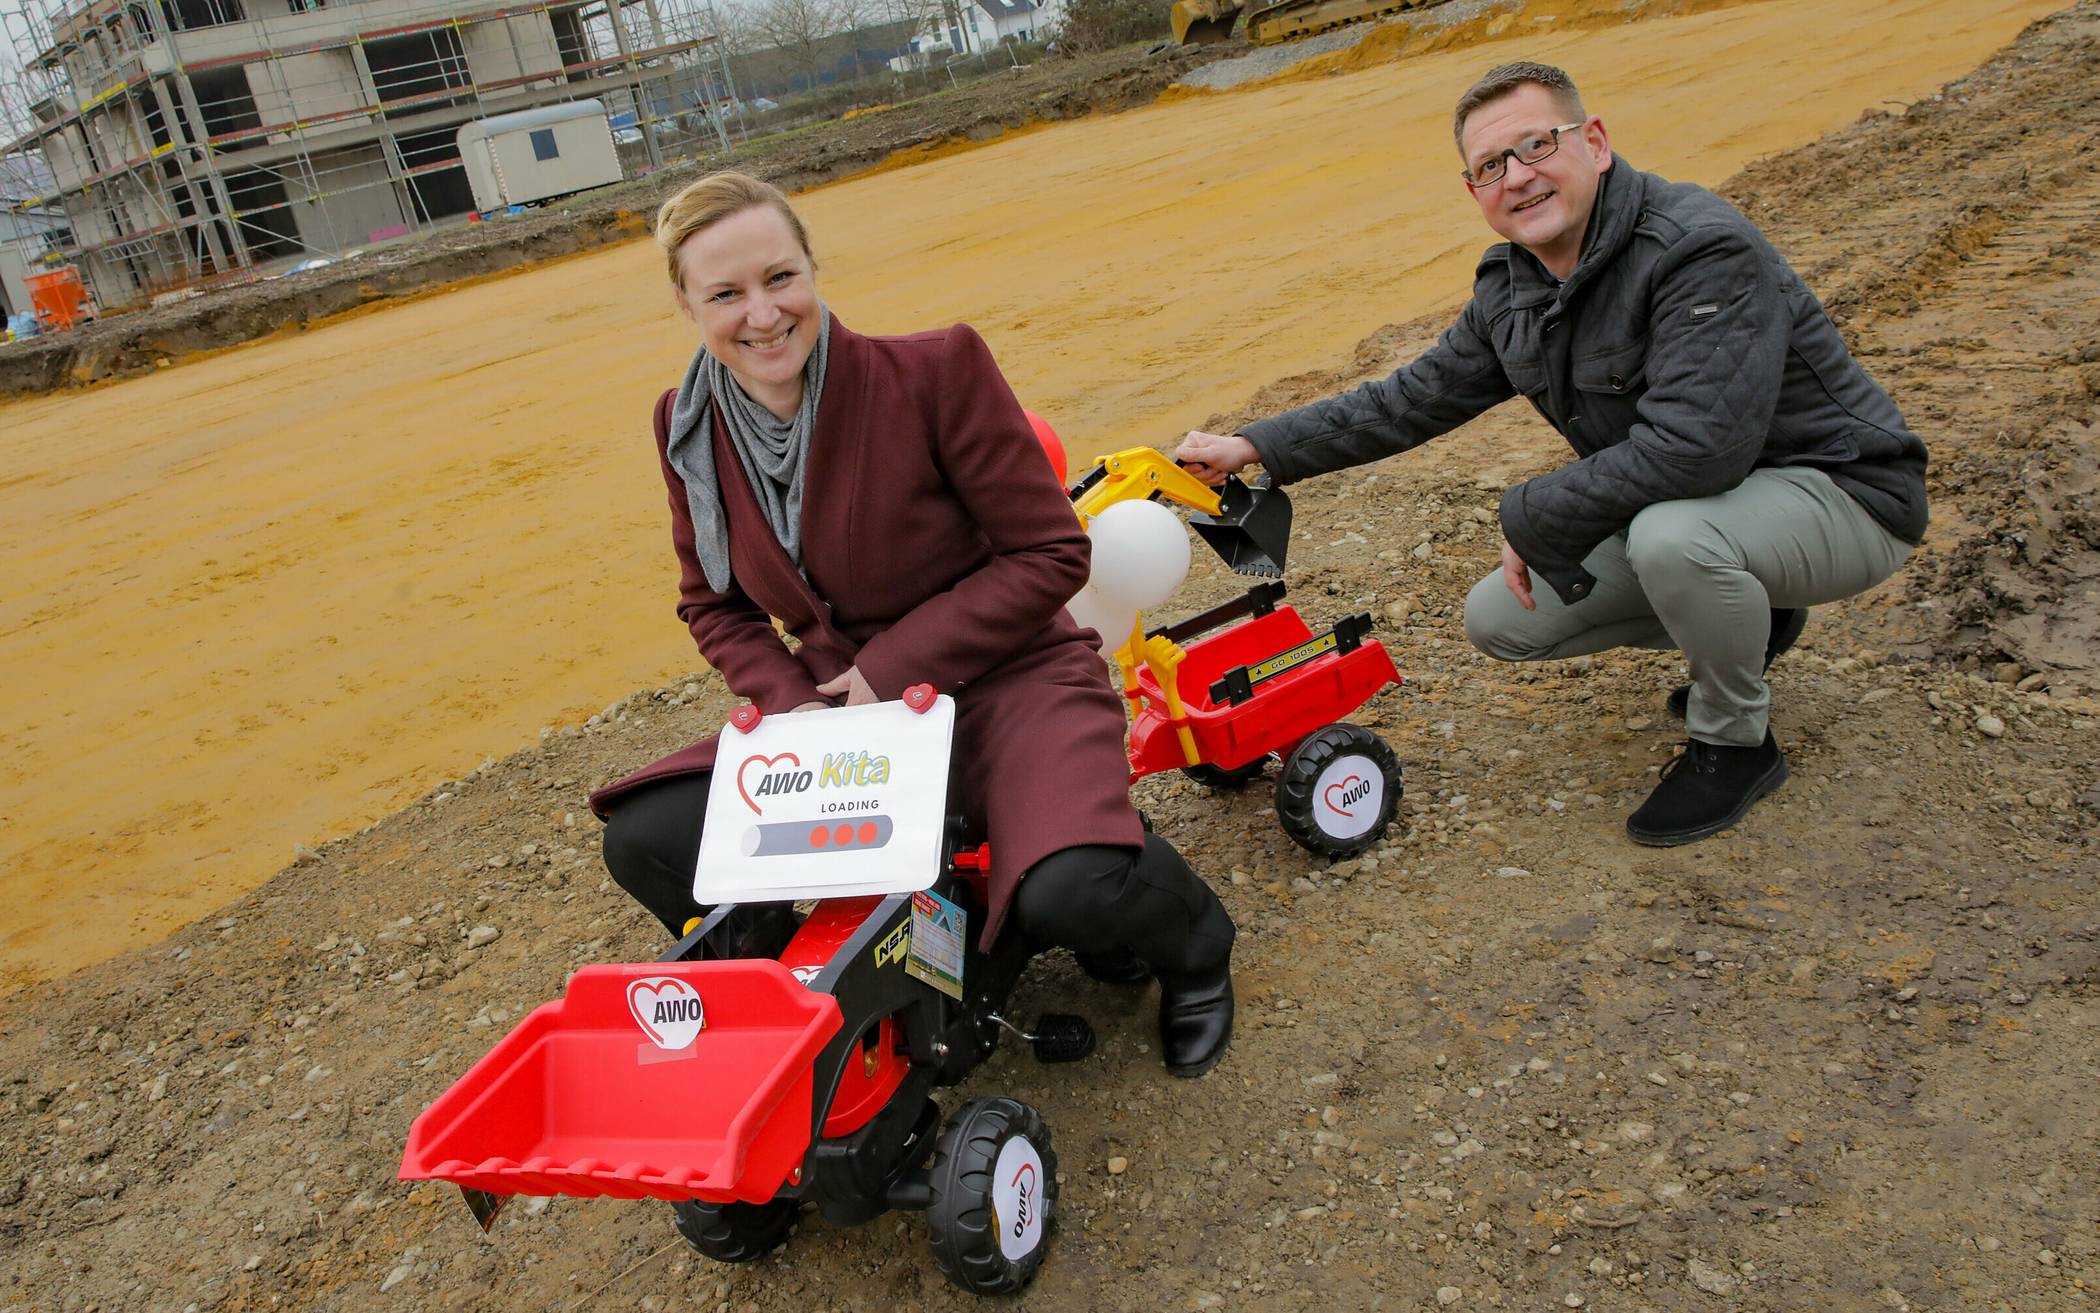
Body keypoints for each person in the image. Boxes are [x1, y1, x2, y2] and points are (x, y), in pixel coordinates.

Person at [1177, 61, 1927, 847]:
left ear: (1595, 143)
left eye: (1537, 145)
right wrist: (1252, 444)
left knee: (1675, 541)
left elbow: (1696, 450)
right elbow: (1411, 398)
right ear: (1474, 192)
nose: (1520, 177)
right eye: (1492, 166)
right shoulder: (1514, 286)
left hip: (1845, 495)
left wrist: (1533, 514)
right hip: (1722, 508)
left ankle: (1734, 742)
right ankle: (1752, 615)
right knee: (1501, 620)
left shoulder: (1699, 249)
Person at [587, 171, 1236, 1077]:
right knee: (647, 838)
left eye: (780, 278)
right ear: (686, 303)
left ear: (812, 267)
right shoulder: (684, 425)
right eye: (726, 294)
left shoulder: (934, 371)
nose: (763, 315)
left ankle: (1195, 946)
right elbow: (715, 603)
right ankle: (824, 1020)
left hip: (1006, 679)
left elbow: (1051, 554)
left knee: (1071, 886)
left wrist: (892, 667)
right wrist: (791, 707)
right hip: (840, 721)